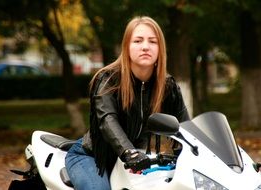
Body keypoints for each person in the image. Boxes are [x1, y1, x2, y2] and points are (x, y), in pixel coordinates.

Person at [65, 16, 190, 190]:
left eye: (152, 42)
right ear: (127, 47)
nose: (145, 46)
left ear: (160, 48)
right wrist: (128, 152)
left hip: (139, 160)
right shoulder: (108, 80)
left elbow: (186, 126)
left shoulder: (168, 86)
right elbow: (108, 121)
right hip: (94, 157)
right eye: (138, 41)